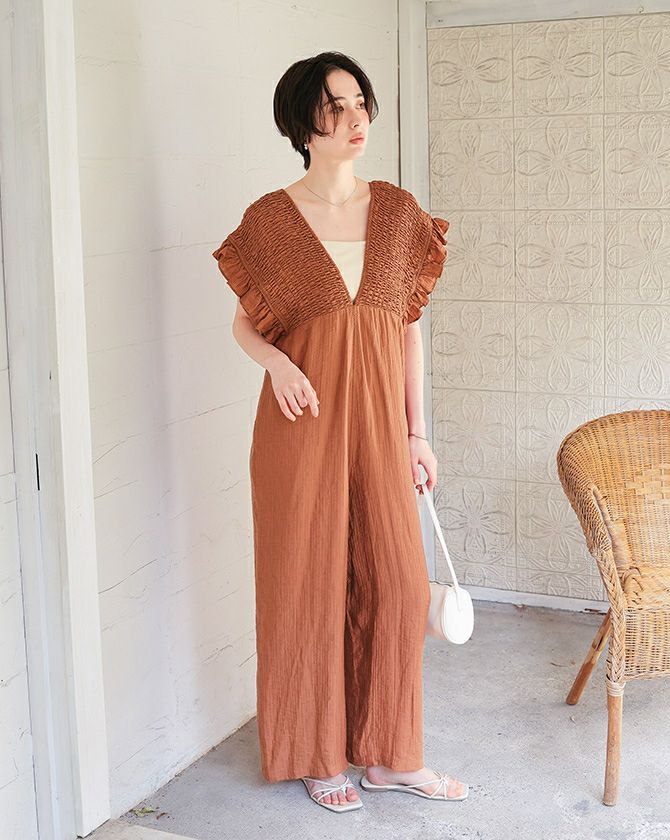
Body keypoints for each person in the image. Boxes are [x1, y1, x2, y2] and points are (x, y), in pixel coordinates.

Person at [212, 51, 467, 812]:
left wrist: (418, 434)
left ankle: (392, 756)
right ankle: (316, 753)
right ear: (303, 124)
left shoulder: (396, 213)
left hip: (383, 431)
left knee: (396, 584)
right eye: (336, 106)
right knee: (306, 584)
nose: (357, 119)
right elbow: (244, 325)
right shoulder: (271, 221)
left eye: (361, 103)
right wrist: (275, 365)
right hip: (302, 430)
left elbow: (408, 332)